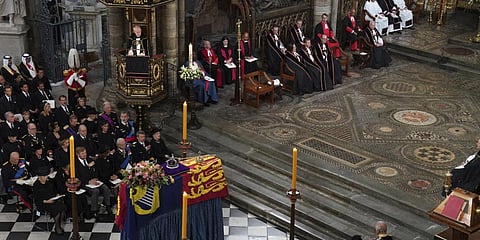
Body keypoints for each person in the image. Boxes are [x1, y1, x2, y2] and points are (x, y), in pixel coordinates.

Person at [75, 146, 112, 216]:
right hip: (84, 183)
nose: (84, 155)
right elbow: (78, 177)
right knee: (96, 191)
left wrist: (95, 178)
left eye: (85, 153)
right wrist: (88, 182)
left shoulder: (89, 160)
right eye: (82, 153)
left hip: (94, 181)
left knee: (105, 188)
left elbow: (95, 170)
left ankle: (108, 206)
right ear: (78, 154)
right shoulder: (75, 164)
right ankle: (94, 210)